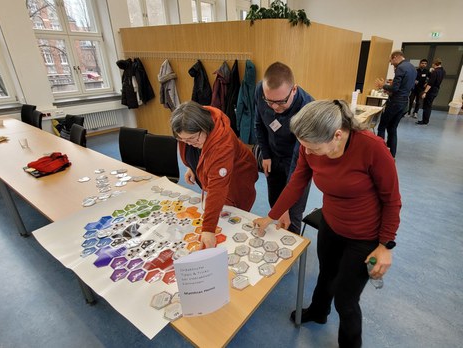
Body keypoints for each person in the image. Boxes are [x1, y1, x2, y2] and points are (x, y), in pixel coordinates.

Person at [253, 100, 401, 348]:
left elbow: (392, 200)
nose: (308, 153)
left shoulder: (371, 148)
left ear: (338, 135)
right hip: (331, 224)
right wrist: (271, 215)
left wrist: (386, 245)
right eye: (304, 147)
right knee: (326, 273)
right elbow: (297, 183)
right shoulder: (309, 146)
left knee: (346, 299)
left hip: (364, 236)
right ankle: (319, 312)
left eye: (313, 148)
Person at [170, 101, 259, 249]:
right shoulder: (190, 129)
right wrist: (192, 167)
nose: (189, 143)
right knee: (222, 213)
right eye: (183, 140)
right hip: (220, 173)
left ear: (204, 127)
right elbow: (196, 152)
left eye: (192, 139)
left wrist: (208, 229)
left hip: (238, 177)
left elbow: (218, 188)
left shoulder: (222, 144)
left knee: (233, 217)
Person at [254, 62, 314, 234]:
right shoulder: (261, 90)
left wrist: (286, 207)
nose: (274, 107)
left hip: (297, 163)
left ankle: (291, 253)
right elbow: (259, 124)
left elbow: (298, 161)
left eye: (280, 102)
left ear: (293, 89)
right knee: (275, 203)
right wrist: (265, 155)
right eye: (269, 101)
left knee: (292, 214)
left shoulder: (307, 109)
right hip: (273, 156)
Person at [375, 50, 417, 157]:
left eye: (391, 61)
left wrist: (382, 85)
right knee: (392, 128)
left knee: (381, 127)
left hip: (395, 102)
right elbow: (408, 87)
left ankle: (380, 153)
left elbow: (395, 88)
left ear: (395, 57)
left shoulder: (401, 67)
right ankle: (391, 154)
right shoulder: (412, 67)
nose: (391, 64)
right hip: (404, 102)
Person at [417, 58, 446, 125]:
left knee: (427, 106)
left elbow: (430, 83)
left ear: (434, 64)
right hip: (436, 90)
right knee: (429, 106)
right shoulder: (443, 71)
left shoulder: (435, 72)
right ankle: (425, 120)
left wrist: (425, 92)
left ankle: (424, 121)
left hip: (431, 91)